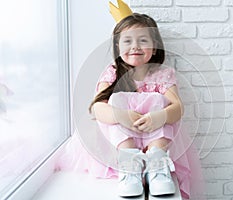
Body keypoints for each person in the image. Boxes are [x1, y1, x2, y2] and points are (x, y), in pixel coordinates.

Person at [56, 2, 205, 200]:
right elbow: (97, 108)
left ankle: (157, 167)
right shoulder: (112, 72)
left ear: (154, 46)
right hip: (122, 141)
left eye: (143, 40)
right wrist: (122, 116)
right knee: (115, 99)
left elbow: (178, 108)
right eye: (127, 41)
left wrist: (159, 117)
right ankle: (130, 167)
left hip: (154, 136)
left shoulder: (162, 74)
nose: (135, 46)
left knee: (159, 101)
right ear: (117, 46)